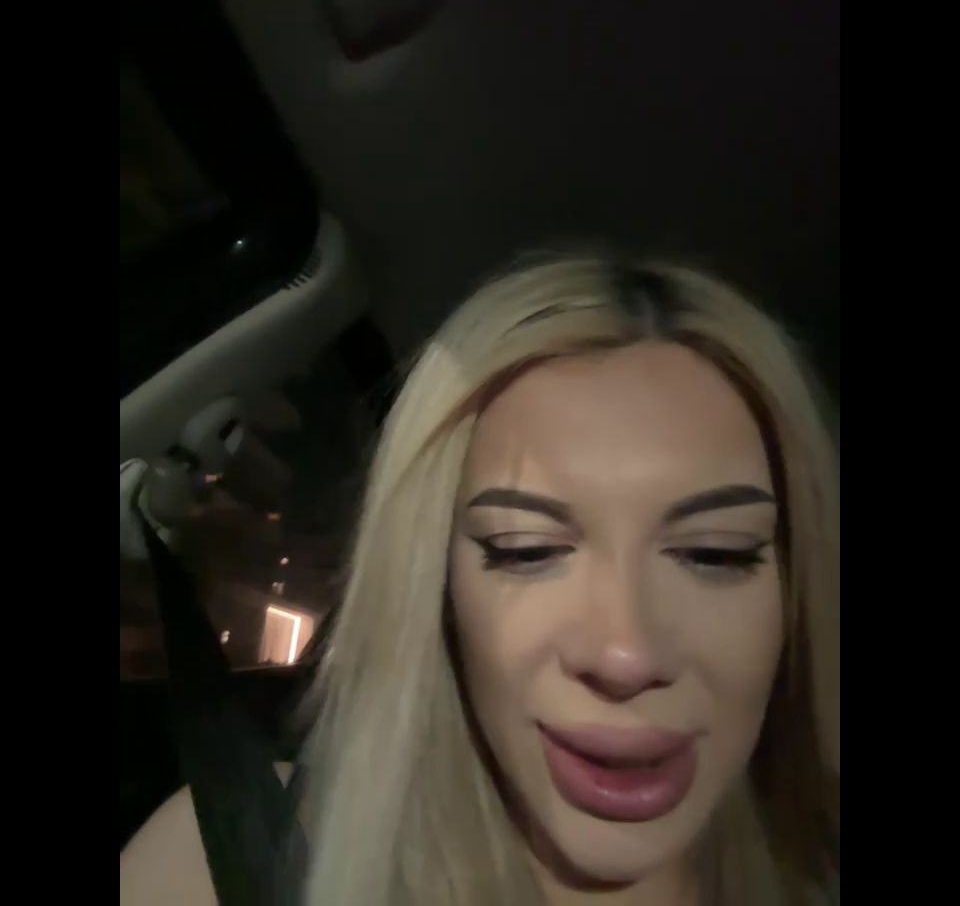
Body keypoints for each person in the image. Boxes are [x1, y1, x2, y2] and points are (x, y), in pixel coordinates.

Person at [123, 252, 839, 905]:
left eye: (715, 553)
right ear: (433, 590)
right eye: (526, 550)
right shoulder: (220, 865)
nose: (626, 655)